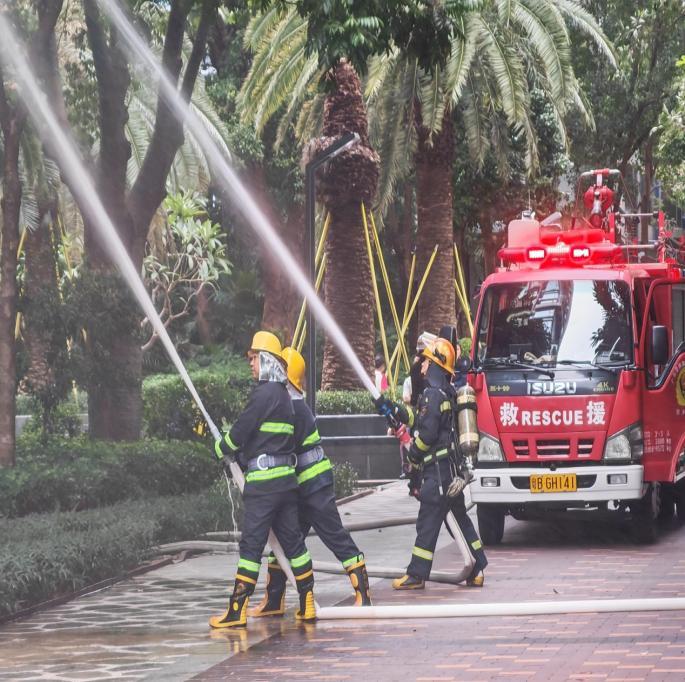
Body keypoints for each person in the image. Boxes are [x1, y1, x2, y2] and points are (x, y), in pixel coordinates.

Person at [249, 346, 372, 615]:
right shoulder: (290, 404)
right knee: (285, 542)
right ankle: (273, 601)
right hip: (301, 488)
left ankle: (363, 593)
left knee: (334, 535)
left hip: (314, 487)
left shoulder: (293, 408)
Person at [211, 331, 316, 628]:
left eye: (255, 358)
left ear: (268, 360)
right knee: (294, 544)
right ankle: (307, 601)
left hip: (264, 486)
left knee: (251, 547)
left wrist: (221, 447)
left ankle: (236, 610)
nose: (251, 363)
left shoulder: (263, 394)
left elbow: (240, 433)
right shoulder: (284, 396)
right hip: (286, 485)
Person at [375, 337, 488, 589]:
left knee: (427, 522)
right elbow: (419, 419)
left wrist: (413, 455)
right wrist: (392, 408)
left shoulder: (432, 394)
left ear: (436, 365)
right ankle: (477, 568)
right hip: (450, 471)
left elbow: (426, 434)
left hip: (437, 474)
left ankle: (416, 575)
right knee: (459, 520)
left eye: (426, 361)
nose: (422, 366)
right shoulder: (445, 392)